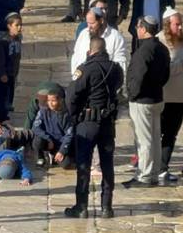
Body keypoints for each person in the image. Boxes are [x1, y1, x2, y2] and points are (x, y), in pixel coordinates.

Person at [65, 36, 123, 219]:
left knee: (83, 166)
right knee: (107, 165)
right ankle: (107, 206)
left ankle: (81, 207)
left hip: (87, 123)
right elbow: (118, 88)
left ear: (90, 51)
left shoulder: (85, 69)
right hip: (107, 124)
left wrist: (74, 117)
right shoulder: (116, 69)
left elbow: (71, 95)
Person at [122, 16, 170, 189]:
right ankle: (154, 173)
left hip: (142, 101)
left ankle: (144, 175)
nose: (136, 29)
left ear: (143, 29)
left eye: (137, 26)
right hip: (157, 98)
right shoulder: (162, 48)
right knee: (155, 139)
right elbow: (166, 75)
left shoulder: (143, 51)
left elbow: (138, 77)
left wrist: (132, 95)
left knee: (144, 140)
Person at [157, 7, 183, 183]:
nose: (180, 28)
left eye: (181, 24)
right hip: (164, 96)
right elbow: (163, 69)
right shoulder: (160, 42)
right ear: (167, 25)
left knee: (172, 133)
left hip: (180, 96)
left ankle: (163, 167)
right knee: (158, 133)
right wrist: (181, 65)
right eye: (176, 25)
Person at [70, 6, 127, 79]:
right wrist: (75, 78)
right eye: (88, 23)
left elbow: (120, 63)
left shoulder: (116, 37)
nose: (89, 27)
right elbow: (76, 57)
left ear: (101, 20)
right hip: (83, 81)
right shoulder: (83, 34)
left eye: (92, 23)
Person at [32, 85, 74, 168]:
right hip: (47, 141)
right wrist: (48, 138)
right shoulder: (43, 111)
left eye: (53, 100)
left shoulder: (66, 115)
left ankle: (54, 155)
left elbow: (69, 134)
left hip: (60, 143)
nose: (50, 103)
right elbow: (36, 127)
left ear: (61, 100)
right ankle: (41, 157)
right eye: (48, 100)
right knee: (38, 140)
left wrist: (62, 151)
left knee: (66, 164)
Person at [0, 13, 23, 123]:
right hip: (4, 74)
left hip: (12, 72)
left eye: (20, 25)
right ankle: (1, 117)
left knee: (9, 94)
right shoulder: (4, 41)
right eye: (17, 25)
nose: (19, 28)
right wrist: (2, 73)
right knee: (2, 96)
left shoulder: (18, 39)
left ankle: (6, 111)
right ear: (9, 26)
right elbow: (0, 59)